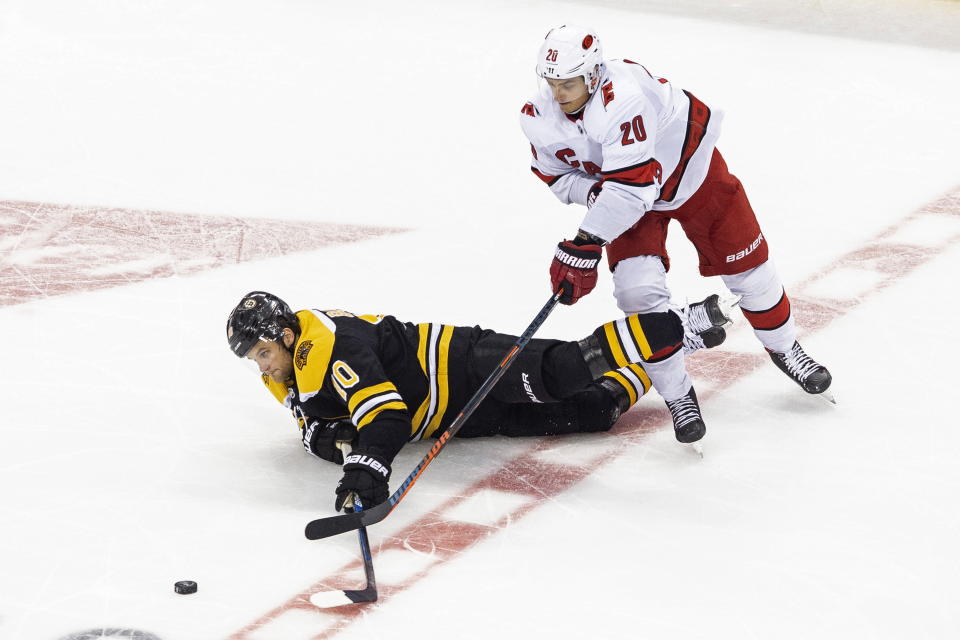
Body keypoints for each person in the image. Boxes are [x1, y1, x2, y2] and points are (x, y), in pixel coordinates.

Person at [519, 25, 833, 438]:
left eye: (569, 83)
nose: (559, 95)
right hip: (624, 199)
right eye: (552, 83)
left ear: (594, 74)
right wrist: (593, 192)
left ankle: (785, 347)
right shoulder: (537, 116)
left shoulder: (624, 96)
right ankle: (677, 394)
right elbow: (557, 178)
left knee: (750, 273)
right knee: (637, 296)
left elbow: (633, 189)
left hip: (691, 175)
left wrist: (584, 243)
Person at [225, 291, 732, 511]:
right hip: (460, 417)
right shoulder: (286, 373)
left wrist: (366, 467)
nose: (262, 365)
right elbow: (316, 426)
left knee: (560, 371)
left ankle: (682, 324)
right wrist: (332, 440)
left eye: (265, 352)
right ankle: (656, 356)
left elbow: (385, 415)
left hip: (464, 363)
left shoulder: (330, 346)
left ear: (289, 336)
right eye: (254, 358)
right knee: (594, 410)